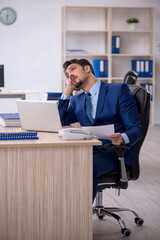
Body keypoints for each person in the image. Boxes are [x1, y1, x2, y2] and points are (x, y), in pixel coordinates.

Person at [58, 58, 143, 201]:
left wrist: (123, 137)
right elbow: (60, 120)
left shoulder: (118, 91)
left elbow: (136, 129)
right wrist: (68, 90)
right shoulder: (77, 100)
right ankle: (64, 212)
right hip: (88, 150)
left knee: (84, 166)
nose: (69, 75)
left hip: (114, 153)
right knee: (60, 161)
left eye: (72, 69)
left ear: (87, 69)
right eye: (67, 74)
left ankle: (80, 217)